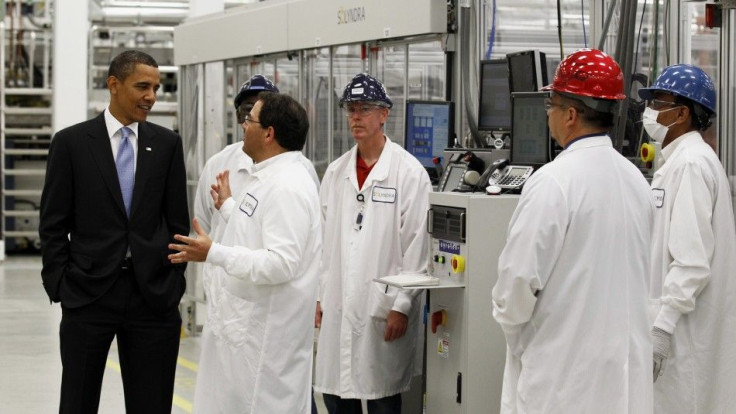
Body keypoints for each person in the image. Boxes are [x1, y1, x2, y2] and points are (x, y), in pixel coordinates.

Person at [491, 49, 654, 413]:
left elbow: (516, 283)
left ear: (570, 114)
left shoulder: (553, 183)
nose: (546, 114)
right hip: (621, 381)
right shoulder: (637, 182)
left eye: (551, 104)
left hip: (563, 382)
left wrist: (515, 334)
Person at [39, 50, 189, 413]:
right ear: (113, 85)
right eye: (142, 86)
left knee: (151, 403)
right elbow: (53, 223)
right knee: (78, 401)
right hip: (88, 293)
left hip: (151, 297)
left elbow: (176, 222)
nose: (151, 96)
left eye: (156, 87)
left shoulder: (166, 144)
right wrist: (60, 283)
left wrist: (171, 282)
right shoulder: (72, 143)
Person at [168, 92, 321, 413]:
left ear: (269, 133)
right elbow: (257, 228)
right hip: (242, 334)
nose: (243, 125)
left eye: (250, 120)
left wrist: (214, 253)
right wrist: (228, 207)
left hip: (265, 346)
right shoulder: (265, 175)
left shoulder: (287, 185)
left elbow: (281, 263)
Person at [313, 73, 431, 414]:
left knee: (382, 397)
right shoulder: (335, 173)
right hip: (338, 302)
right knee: (336, 394)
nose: (355, 117)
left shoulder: (409, 174)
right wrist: (320, 296)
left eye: (364, 109)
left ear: (384, 115)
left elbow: (417, 246)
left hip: (383, 307)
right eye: (350, 109)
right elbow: (323, 243)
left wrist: (402, 305)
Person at [638, 64, 736, 413]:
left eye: (658, 103)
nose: (650, 113)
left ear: (682, 113)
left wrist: (662, 329)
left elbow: (692, 262)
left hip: (683, 333)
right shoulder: (680, 162)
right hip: (679, 327)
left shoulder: (691, 165)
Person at [194, 74, 318, 235]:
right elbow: (204, 225)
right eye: (248, 110)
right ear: (239, 116)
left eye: (260, 111)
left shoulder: (300, 171)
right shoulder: (217, 164)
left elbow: (280, 254)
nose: (248, 122)